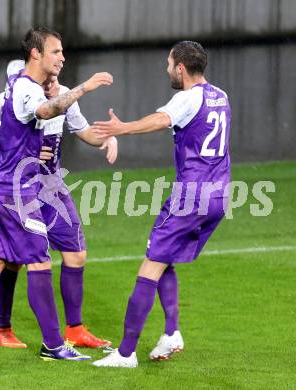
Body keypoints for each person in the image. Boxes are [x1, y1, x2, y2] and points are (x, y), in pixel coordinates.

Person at [0, 27, 113, 361]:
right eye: (56, 52)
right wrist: (85, 87)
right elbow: (45, 112)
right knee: (40, 261)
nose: (62, 57)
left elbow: (54, 119)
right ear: (36, 54)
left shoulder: (33, 88)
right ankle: (53, 345)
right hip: (17, 191)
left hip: (7, 186)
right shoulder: (25, 89)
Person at [91, 41, 231, 368]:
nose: (167, 69)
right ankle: (171, 333)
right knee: (164, 257)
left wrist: (122, 128)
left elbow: (160, 119)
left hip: (190, 197)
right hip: (220, 195)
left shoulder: (187, 97)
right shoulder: (221, 95)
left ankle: (125, 353)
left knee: (150, 266)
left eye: (169, 64)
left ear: (180, 67)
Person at [0, 60, 117, 349]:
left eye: (55, 74)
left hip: (51, 188)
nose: (52, 78)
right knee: (13, 261)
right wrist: (10, 145)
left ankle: (74, 329)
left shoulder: (63, 95)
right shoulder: (11, 98)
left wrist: (110, 137)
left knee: (76, 254)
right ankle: (3, 330)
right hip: (21, 190)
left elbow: (84, 131)